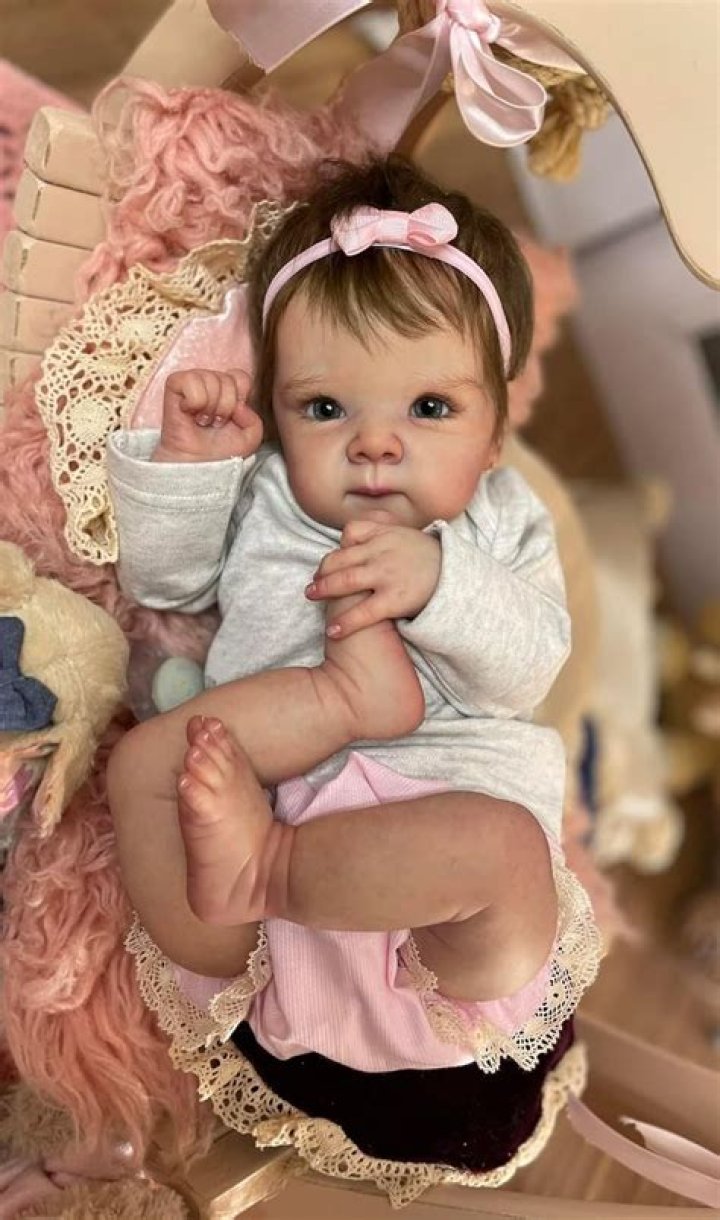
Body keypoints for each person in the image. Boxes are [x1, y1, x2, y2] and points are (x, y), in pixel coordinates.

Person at [106, 156, 601, 1192]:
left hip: (442, 930)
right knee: (144, 764)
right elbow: (169, 585)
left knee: (504, 848)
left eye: (430, 407)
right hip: (260, 923)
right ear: (279, 411)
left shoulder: (497, 525)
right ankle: (267, 855)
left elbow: (528, 669)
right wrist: (192, 467)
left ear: (495, 433)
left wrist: (442, 584)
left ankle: (276, 861)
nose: (375, 444)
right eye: (326, 406)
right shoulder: (265, 496)